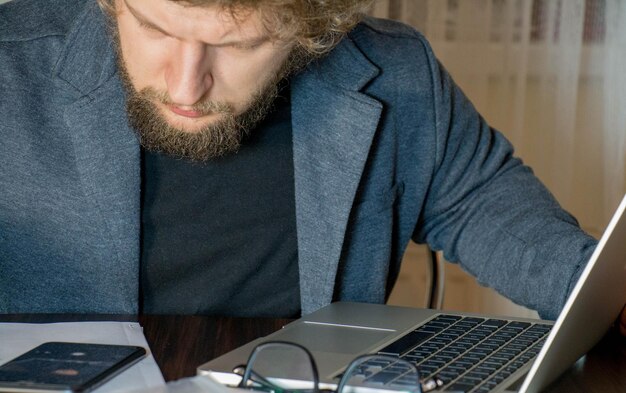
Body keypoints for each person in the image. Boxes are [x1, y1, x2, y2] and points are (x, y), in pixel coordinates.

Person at [0, 0, 624, 329]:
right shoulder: (10, 66)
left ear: (309, 26)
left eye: (239, 44)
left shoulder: (398, 76)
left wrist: (602, 297)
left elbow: (481, 203)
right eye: (155, 28)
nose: (185, 87)